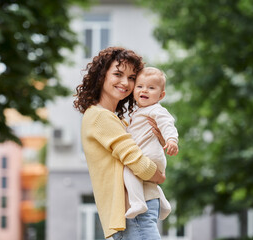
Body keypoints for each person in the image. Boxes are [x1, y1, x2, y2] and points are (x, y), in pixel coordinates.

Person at [73, 47, 166, 240]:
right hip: (132, 214)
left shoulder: (119, 120)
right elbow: (136, 161)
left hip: (136, 211)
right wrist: (158, 176)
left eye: (132, 78)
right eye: (118, 74)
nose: (126, 83)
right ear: (101, 76)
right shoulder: (100, 117)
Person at [124, 67, 179, 220]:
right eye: (140, 86)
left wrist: (171, 140)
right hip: (151, 157)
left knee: (129, 169)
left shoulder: (156, 110)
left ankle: (138, 203)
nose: (145, 90)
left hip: (151, 154)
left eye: (151, 88)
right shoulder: (136, 112)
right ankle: (164, 203)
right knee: (145, 180)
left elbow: (167, 123)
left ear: (161, 95)